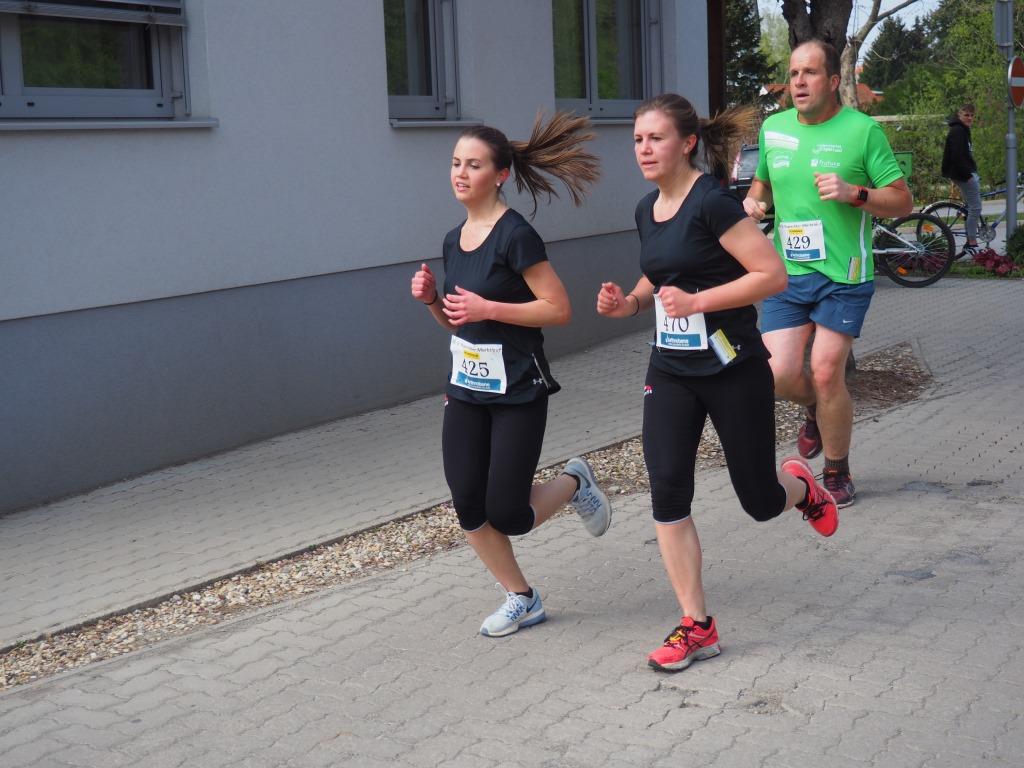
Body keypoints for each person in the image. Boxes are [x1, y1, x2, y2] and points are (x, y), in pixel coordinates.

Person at [596, 93, 840, 673]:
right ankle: (697, 626)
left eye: (656, 138)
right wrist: (631, 303)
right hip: (671, 370)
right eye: (637, 140)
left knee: (759, 500)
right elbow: (662, 275)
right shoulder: (646, 209)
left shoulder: (713, 203)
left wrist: (698, 302)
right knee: (667, 490)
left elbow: (771, 275)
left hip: (733, 368)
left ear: (687, 143)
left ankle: (802, 489)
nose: (644, 149)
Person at [410, 113, 611, 638]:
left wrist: (490, 308)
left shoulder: (516, 235)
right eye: (456, 163)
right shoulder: (453, 239)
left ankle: (574, 482)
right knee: (467, 503)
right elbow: (460, 321)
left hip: (518, 387)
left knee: (510, 513)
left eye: (473, 165)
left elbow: (558, 309)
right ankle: (522, 597)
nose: (460, 173)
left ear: (499, 175)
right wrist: (433, 301)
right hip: (466, 388)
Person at [743, 39, 913, 507]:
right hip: (788, 273)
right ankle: (817, 411)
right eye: (794, 73)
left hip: (845, 275)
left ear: (834, 81)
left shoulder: (862, 131)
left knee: (824, 369)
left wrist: (855, 193)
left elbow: (902, 201)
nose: (799, 82)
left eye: (810, 73)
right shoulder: (774, 129)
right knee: (777, 373)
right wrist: (755, 201)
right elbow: (763, 184)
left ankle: (837, 471)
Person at [941, 102, 982, 259]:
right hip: (962, 174)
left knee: (971, 206)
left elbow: (965, 155)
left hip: (964, 172)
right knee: (976, 208)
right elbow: (957, 157)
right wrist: (968, 175)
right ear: (959, 115)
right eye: (966, 115)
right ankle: (971, 243)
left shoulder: (962, 129)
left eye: (972, 115)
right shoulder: (958, 131)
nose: (969, 118)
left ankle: (965, 216)